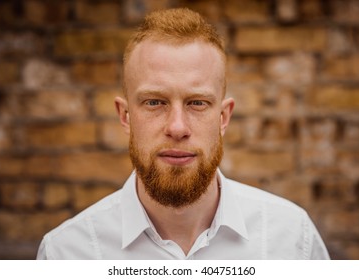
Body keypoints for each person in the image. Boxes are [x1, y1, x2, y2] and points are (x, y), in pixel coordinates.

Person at [37, 8, 330, 260]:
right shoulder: (65, 253)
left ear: (223, 117)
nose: (177, 127)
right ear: (125, 116)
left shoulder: (293, 240)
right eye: (155, 102)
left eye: (197, 103)